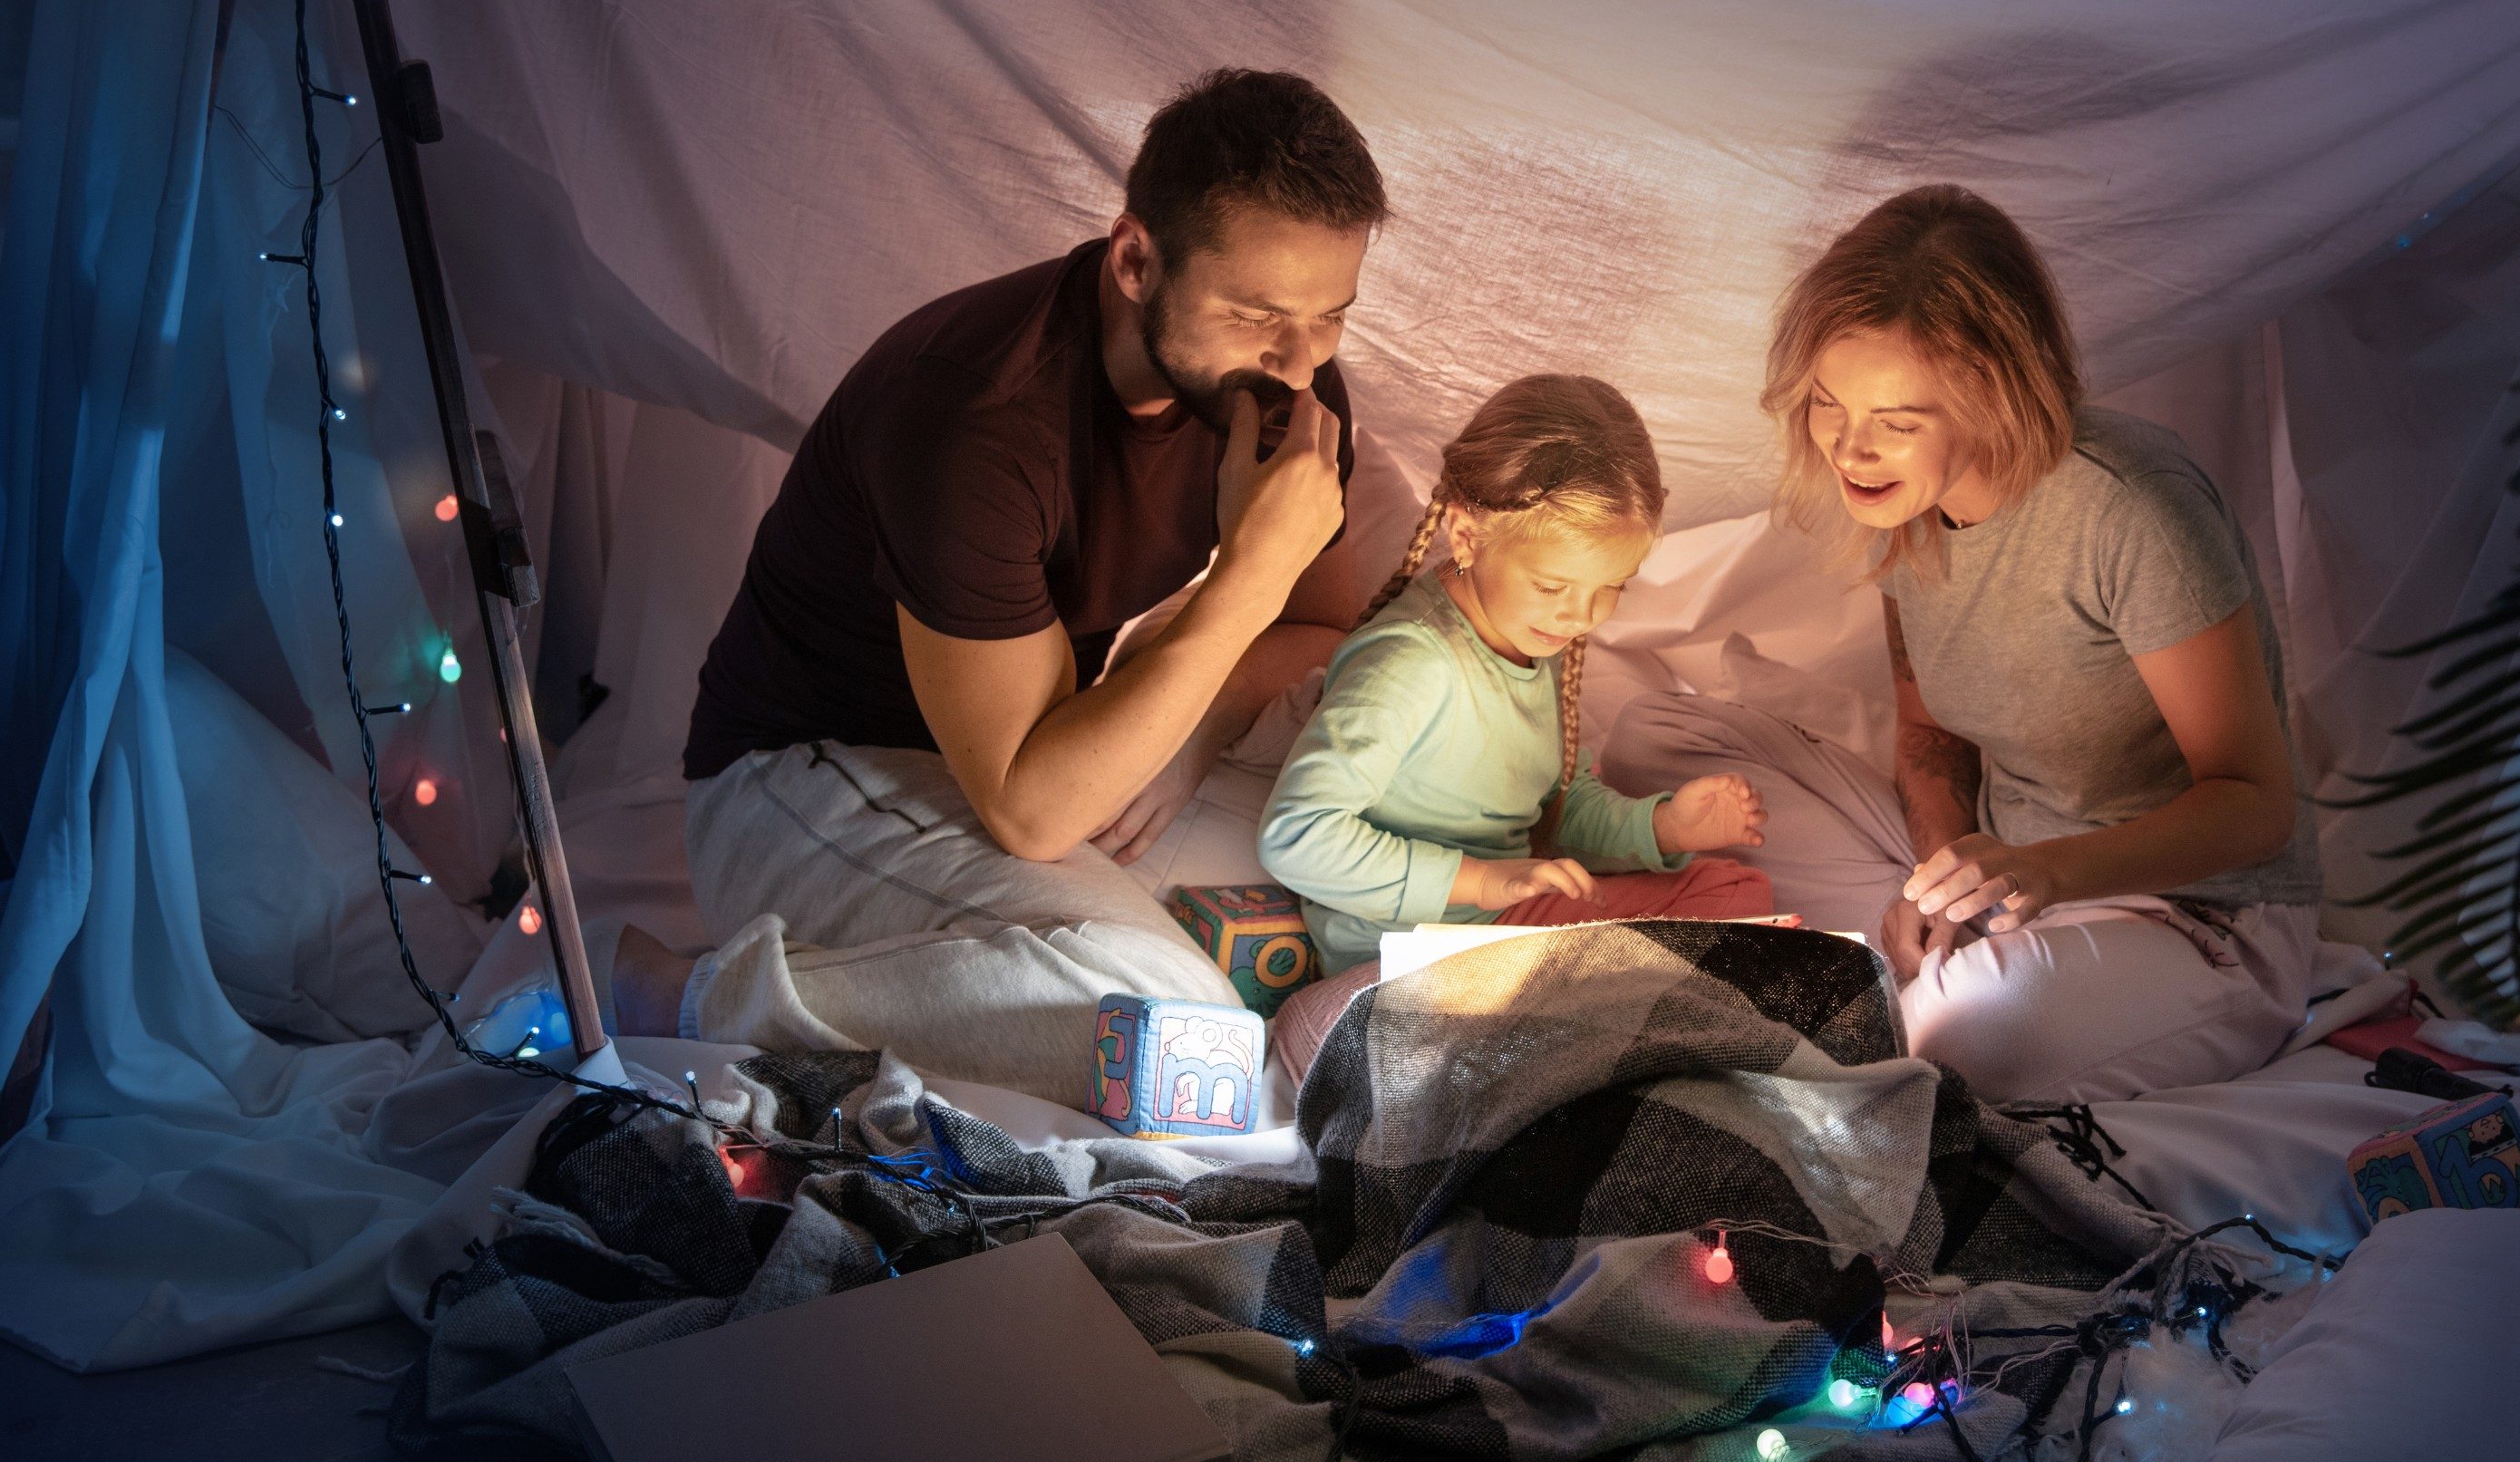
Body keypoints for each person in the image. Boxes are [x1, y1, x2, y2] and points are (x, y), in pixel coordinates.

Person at [638, 68, 1380, 1103]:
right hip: (811, 776)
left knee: (1331, 890)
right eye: (1256, 312)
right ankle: (691, 996)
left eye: (1331, 316)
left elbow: (1321, 623)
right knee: (1183, 1032)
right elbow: (1030, 812)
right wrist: (1245, 579)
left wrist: (1192, 732)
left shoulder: (1285, 381)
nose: (1301, 364)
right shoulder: (972, 417)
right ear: (1135, 260)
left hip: (1039, 754)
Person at [1600, 187, 2358, 1107]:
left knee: (1948, 1045)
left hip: (2197, 913)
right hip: (2003, 869)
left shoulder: (2134, 509)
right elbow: (1929, 742)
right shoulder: (1907, 513)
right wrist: (1944, 877)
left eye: (1898, 422)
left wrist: (2044, 871)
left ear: (1990, 399)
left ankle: (1968, 984)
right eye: (1830, 405)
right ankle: (1931, 951)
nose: (1850, 449)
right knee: (1652, 746)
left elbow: (2254, 806)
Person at [1256, 375, 1771, 1084]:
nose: (1580, 616)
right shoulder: (1412, 661)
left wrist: (1665, 829)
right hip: (1416, 949)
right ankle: (1372, 1027)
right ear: (1468, 533)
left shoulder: (1536, 643)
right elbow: (1295, 836)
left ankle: (1573, 1040)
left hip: (1509, 931)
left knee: (1735, 897)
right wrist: (1483, 879)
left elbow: (1558, 810)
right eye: (1555, 587)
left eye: (1609, 588)